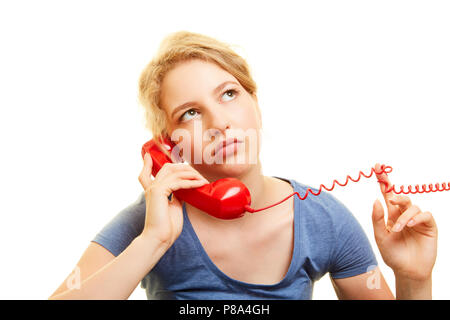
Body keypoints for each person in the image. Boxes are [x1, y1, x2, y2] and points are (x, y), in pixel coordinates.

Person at [49, 31, 438, 300]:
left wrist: (414, 278)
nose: (220, 123)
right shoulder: (150, 222)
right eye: (190, 113)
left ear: (255, 101)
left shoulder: (323, 220)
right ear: (169, 145)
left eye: (229, 94)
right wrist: (153, 242)